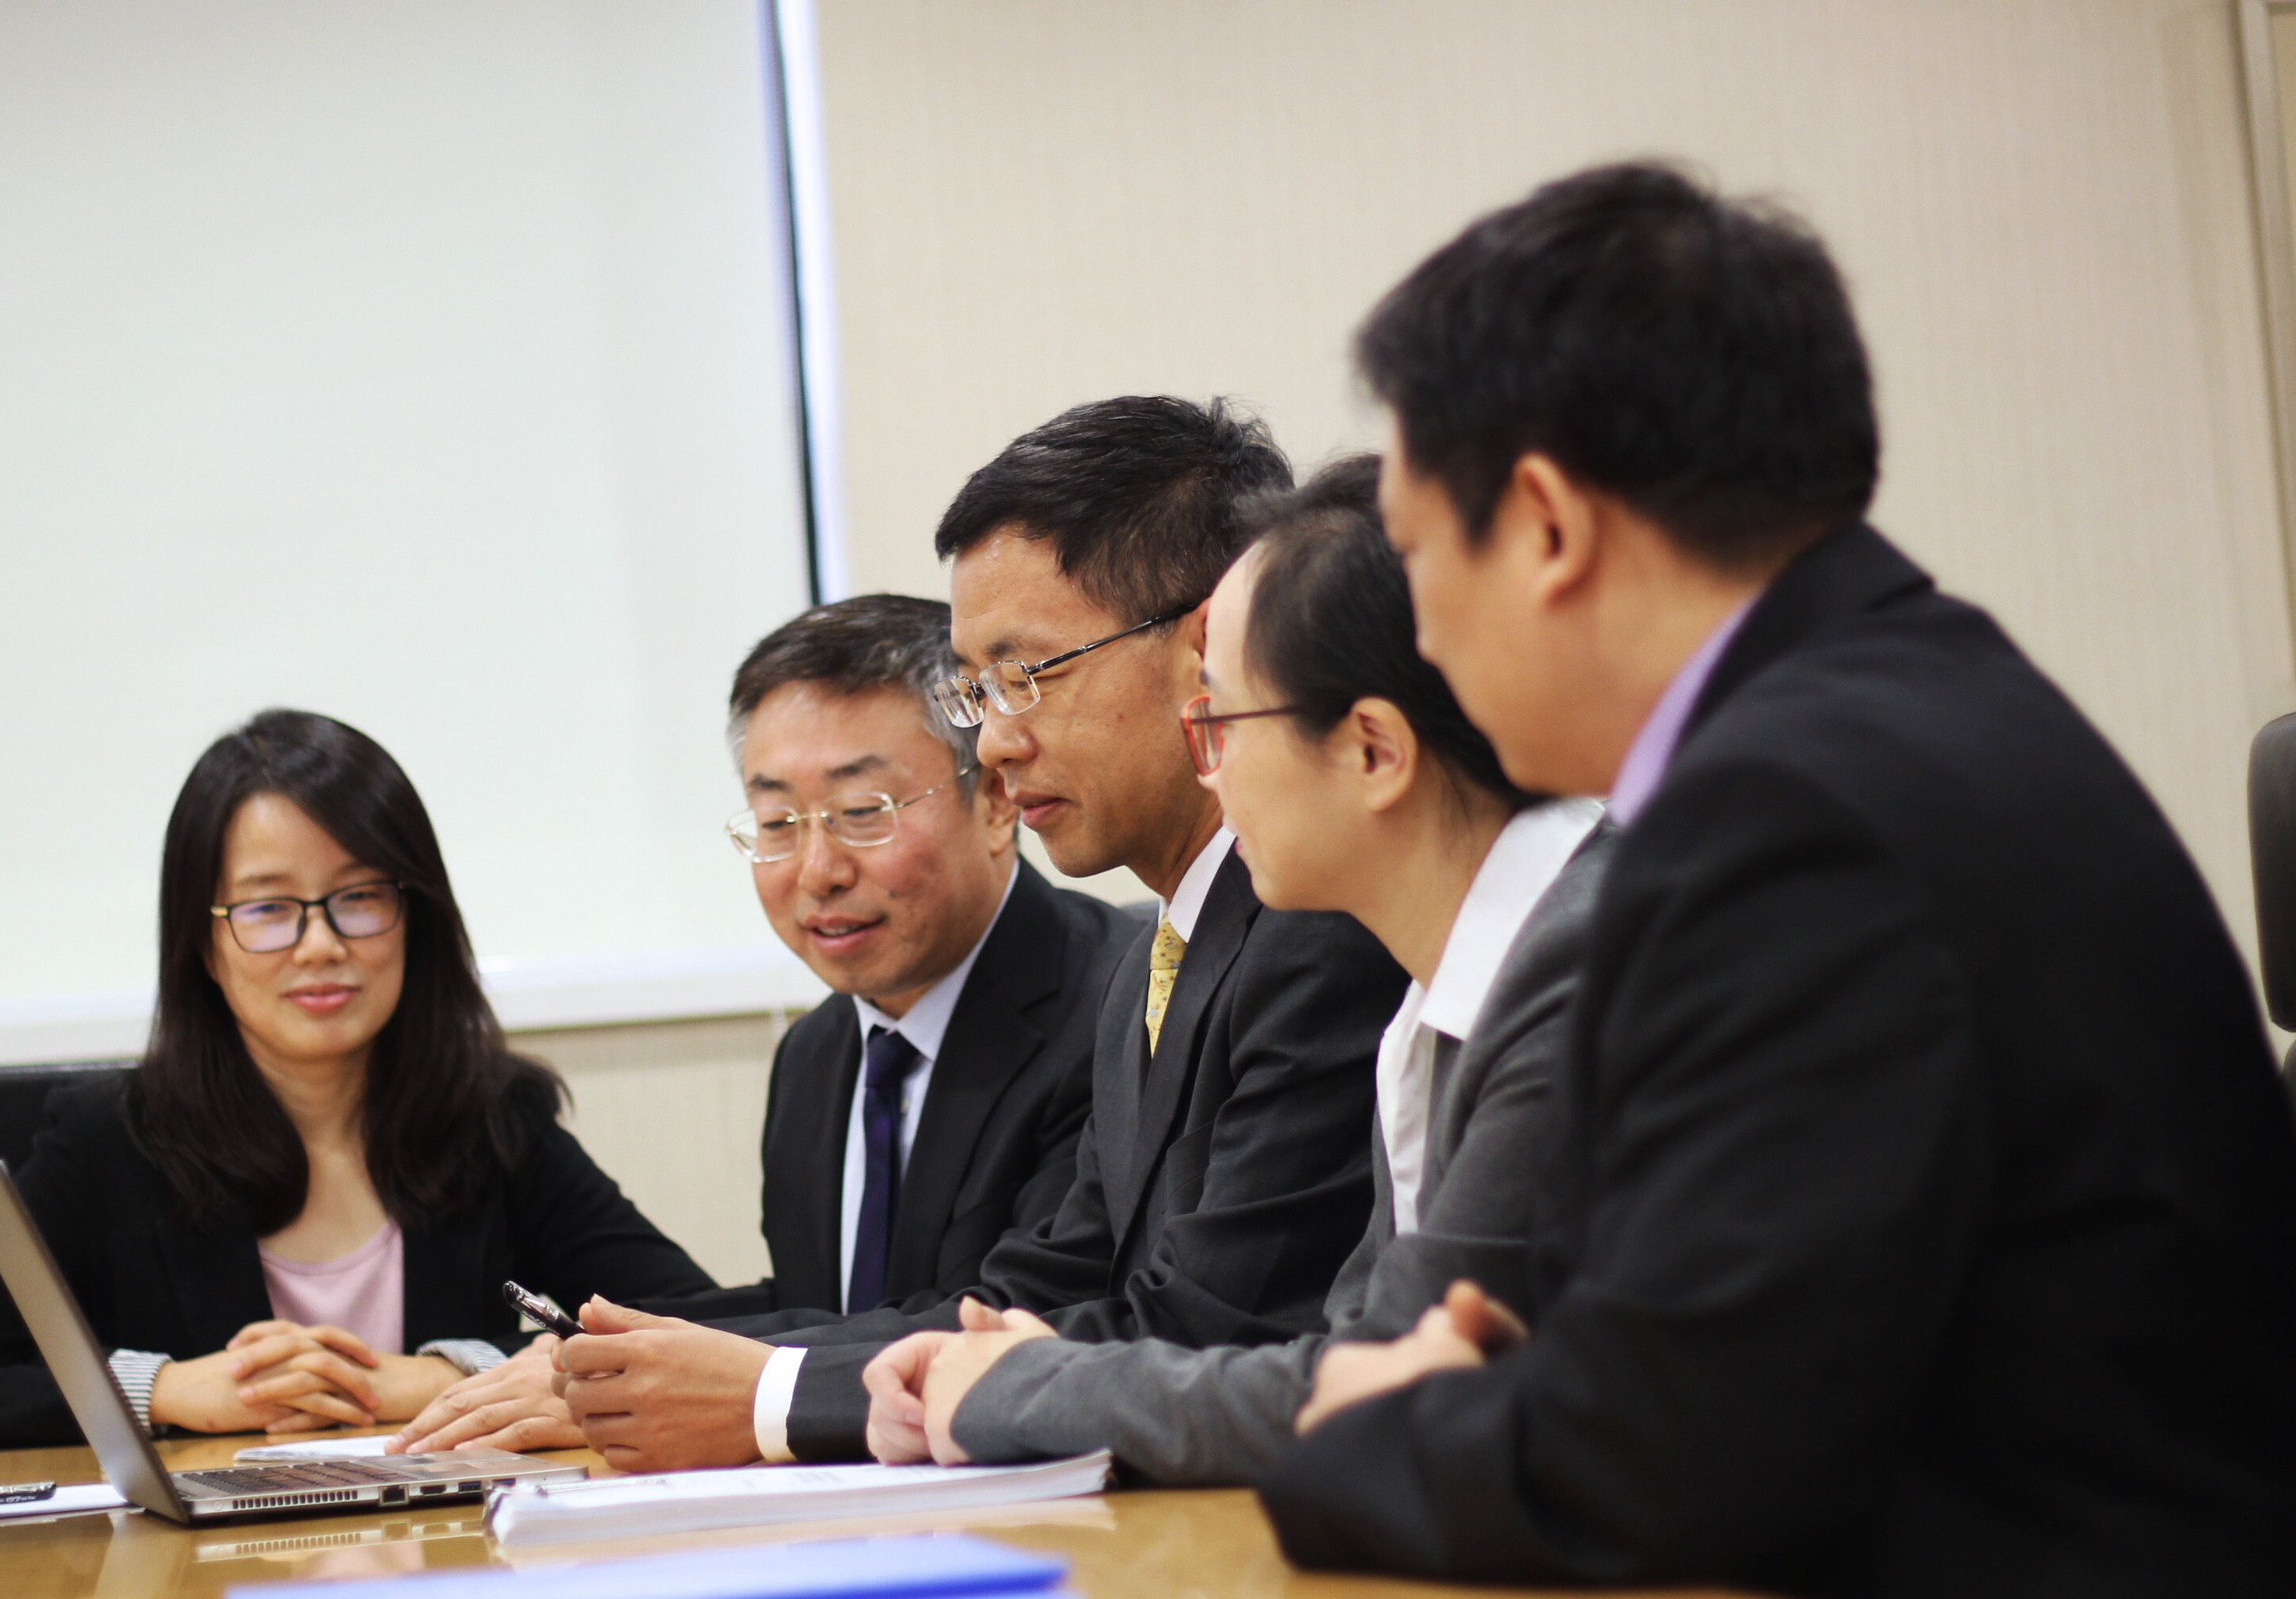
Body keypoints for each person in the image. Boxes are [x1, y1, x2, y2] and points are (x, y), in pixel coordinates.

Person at [1259, 162, 2296, 1596]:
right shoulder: (1897, 699)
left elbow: (1663, 1466)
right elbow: (1691, 1350)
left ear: (1547, 524)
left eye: (1420, 554)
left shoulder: (1785, 819)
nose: (1420, 635)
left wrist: (1376, 1420)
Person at [546, 396, 1409, 1472]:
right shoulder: (1155, 958)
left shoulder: (1315, 930)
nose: (995, 741)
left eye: (1028, 677)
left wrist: (774, 1397)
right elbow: (1043, 1293)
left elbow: (1202, 1328)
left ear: (1207, 649)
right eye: (977, 691)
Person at [854, 457, 1611, 1484]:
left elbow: (1399, 1399)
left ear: (1374, 750)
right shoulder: (1440, 990)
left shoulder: (1581, 976)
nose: (1207, 765)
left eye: (1222, 720)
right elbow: (1360, 1355)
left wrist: (1020, 1388)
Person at [394, 595, 1139, 1454]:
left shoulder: (1113, 1004)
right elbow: (830, 1308)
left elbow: (1010, 1317)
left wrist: (672, 1381)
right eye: (778, 823)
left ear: (997, 800)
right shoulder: (818, 1052)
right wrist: (561, 1362)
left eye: (863, 810)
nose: (817, 869)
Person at [0, 709, 710, 1453]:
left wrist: (454, 1369)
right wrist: (166, 1389)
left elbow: (703, 1323)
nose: (320, 944)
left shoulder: (493, 1120)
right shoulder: (108, 1141)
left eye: (359, 897)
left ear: (415, 917)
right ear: (203, 944)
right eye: (267, 909)